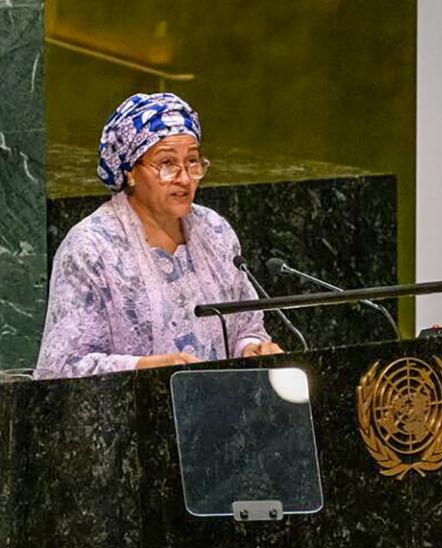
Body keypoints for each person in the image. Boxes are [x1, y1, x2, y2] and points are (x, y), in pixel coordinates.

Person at [36, 92, 281, 379]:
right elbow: (61, 368)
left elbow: (246, 328)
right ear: (130, 172)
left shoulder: (215, 230)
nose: (185, 178)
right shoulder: (90, 247)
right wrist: (143, 369)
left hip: (220, 412)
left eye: (192, 162)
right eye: (167, 164)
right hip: (132, 417)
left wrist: (250, 349)